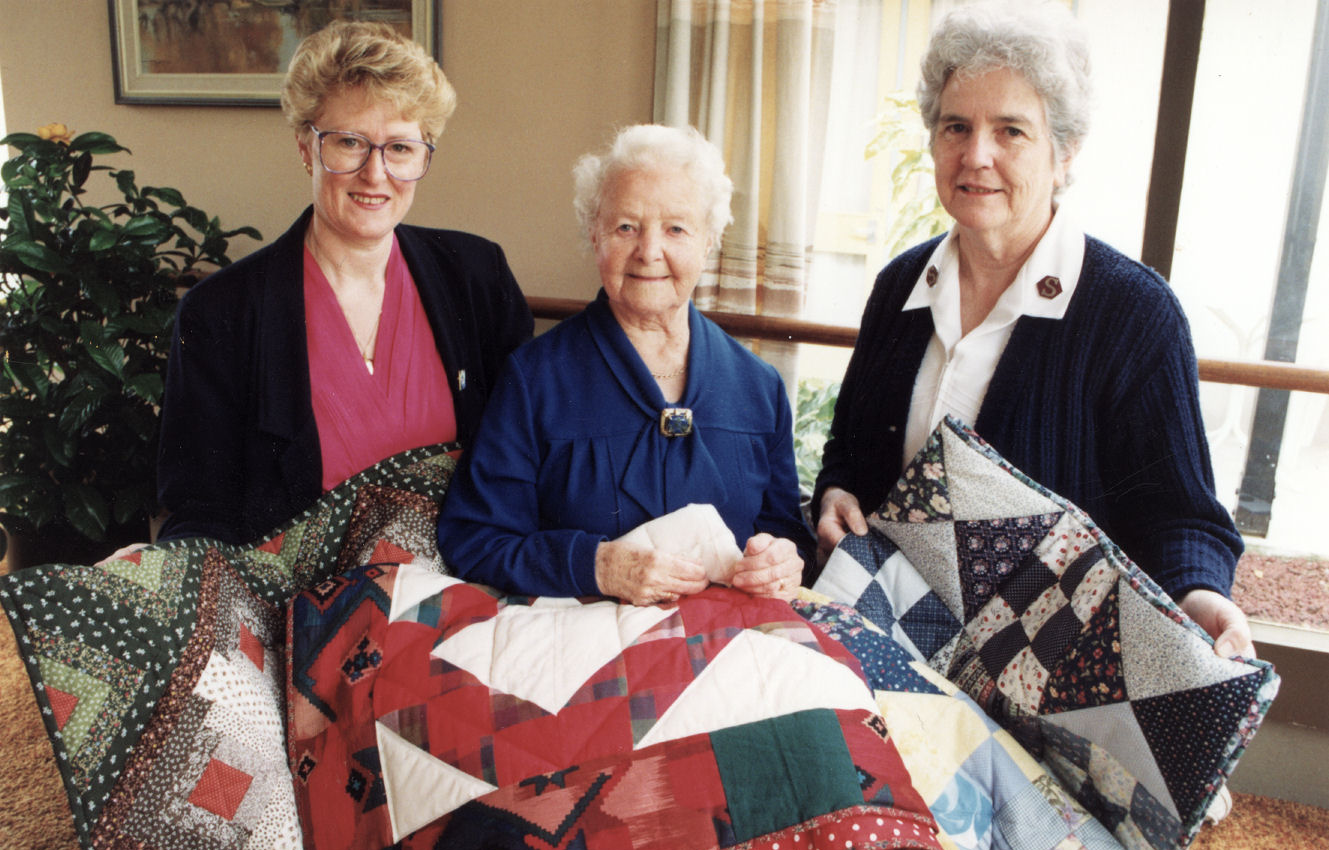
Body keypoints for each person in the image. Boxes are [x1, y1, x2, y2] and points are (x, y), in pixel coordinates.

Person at [812, 1, 1253, 658]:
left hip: (1037, 676)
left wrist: (1199, 596)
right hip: (882, 648)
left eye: (1010, 130)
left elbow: (1178, 514)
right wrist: (836, 494)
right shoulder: (898, 287)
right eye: (955, 126)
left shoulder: (1132, 313)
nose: (975, 155)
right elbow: (847, 454)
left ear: (1064, 150)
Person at [154, 21, 532, 544]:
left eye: (400, 148)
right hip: (295, 607)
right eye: (350, 142)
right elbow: (200, 511)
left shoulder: (477, 275)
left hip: (464, 583)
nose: (375, 174)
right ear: (306, 147)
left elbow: (527, 462)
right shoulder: (220, 312)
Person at [437, 124, 813, 606]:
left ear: (710, 241)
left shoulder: (759, 387)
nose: (648, 252)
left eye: (676, 228)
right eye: (626, 227)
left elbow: (785, 532)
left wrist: (782, 561)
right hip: (579, 651)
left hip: (727, 652)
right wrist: (595, 566)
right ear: (595, 236)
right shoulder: (535, 379)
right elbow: (475, 539)